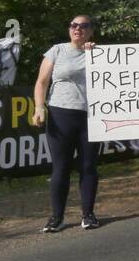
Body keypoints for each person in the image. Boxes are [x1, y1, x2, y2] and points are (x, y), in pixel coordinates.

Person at [33, 15, 101, 231]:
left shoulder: (99, 54)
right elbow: (41, 82)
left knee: (88, 166)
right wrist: (39, 107)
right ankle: (57, 217)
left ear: (91, 31)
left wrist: (96, 55)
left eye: (83, 26)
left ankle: (88, 215)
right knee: (61, 167)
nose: (77, 29)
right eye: (73, 25)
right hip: (60, 113)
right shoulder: (57, 50)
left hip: (92, 115)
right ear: (69, 29)